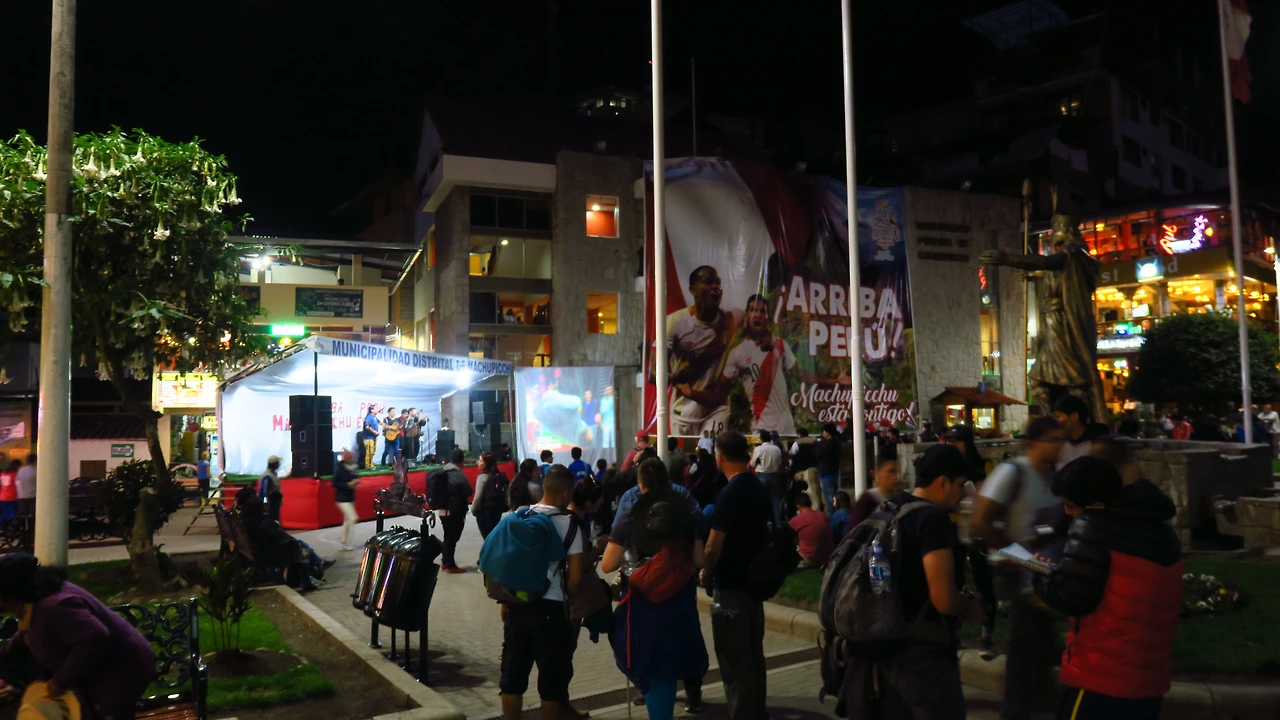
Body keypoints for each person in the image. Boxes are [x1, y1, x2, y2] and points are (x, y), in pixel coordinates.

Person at [841, 444, 984, 720]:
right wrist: (969, 606)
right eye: (960, 484)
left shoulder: (892, 507)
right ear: (942, 483)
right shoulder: (933, 519)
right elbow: (943, 600)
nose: (963, 492)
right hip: (922, 660)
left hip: (884, 648)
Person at [1035, 457, 1182, 720]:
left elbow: (1070, 598)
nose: (1067, 513)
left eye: (1071, 505)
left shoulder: (1093, 526)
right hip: (1148, 683)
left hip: (1098, 677)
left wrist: (1039, 575)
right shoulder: (1163, 533)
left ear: (1095, 503)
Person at [971, 416, 1067, 720]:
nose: (1060, 446)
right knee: (1027, 647)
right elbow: (981, 520)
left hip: (1041, 572)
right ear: (1035, 442)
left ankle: (1032, 706)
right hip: (1015, 573)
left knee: (1040, 646)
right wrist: (1020, 556)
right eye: (1053, 439)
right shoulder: (1013, 472)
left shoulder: (1053, 477)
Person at [603, 459, 709, 719]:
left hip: (643, 601)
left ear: (640, 483)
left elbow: (608, 564)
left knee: (652, 665)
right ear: (667, 481)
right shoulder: (685, 514)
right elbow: (699, 560)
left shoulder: (630, 515)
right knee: (669, 666)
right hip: (680, 598)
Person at [0, 553, 157, 720]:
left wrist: (59, 682)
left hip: (120, 670)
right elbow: (28, 631)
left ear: (11, 593)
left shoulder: (53, 605)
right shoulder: (36, 601)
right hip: (100, 673)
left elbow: (95, 637)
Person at [497, 466, 584, 720]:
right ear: (566, 494)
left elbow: (506, 565)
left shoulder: (519, 516)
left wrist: (505, 602)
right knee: (550, 686)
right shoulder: (569, 524)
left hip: (517, 605)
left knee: (512, 680)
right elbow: (575, 580)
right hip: (551, 610)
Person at [701, 431, 772, 720]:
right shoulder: (757, 486)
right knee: (753, 657)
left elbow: (712, 546)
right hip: (755, 584)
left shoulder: (729, 494)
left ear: (719, 456)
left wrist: (706, 573)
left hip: (731, 587)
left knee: (734, 661)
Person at [660, 266, 744, 436]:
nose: (715, 287)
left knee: (712, 450)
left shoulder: (734, 318)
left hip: (716, 408)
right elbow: (653, 374)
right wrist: (674, 376)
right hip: (684, 411)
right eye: (708, 282)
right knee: (685, 453)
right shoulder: (674, 323)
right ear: (693, 290)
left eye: (718, 283)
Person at [434, 449, 474, 574]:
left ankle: (445, 561)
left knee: (448, 536)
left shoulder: (443, 471)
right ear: (462, 460)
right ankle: (449, 565)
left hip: (442, 509)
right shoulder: (457, 474)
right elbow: (469, 491)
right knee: (452, 537)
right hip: (455, 510)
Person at [1052, 394, 1109, 470]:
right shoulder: (1058, 446)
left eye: (1057, 416)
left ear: (1074, 417)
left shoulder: (1098, 445)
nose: (1053, 421)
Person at [848, 455, 901, 528]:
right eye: (890, 471)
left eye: (897, 472)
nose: (895, 476)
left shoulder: (899, 500)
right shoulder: (868, 500)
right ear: (876, 474)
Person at [472, 452, 509, 539]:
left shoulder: (482, 477)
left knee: (487, 537)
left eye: (481, 461)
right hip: (497, 510)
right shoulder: (499, 475)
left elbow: (478, 497)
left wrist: (473, 509)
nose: (478, 463)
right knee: (494, 536)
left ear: (486, 463)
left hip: (484, 511)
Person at [749, 431, 784, 525]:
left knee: (760, 500)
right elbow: (779, 462)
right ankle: (777, 523)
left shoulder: (759, 449)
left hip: (761, 476)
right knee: (775, 500)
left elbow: (752, 463)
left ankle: (762, 523)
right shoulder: (776, 449)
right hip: (774, 476)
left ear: (761, 439)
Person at [788, 494, 832, 567]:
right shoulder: (823, 516)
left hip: (809, 557)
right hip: (827, 556)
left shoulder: (796, 520)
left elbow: (789, 539)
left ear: (798, 506)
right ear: (810, 503)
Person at [332, 449, 361, 551]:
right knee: (353, 518)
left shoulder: (352, 468)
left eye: (352, 457)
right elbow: (334, 483)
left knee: (347, 520)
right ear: (345, 459)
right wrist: (347, 484)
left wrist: (355, 482)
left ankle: (343, 543)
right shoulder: (340, 469)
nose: (352, 459)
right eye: (350, 458)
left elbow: (355, 478)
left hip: (350, 497)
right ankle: (347, 542)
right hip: (342, 499)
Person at [813, 423, 843, 516]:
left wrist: (816, 444)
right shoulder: (837, 442)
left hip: (826, 474)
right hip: (834, 473)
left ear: (827, 432)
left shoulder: (828, 444)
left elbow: (817, 453)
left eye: (823, 432)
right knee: (834, 498)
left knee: (829, 500)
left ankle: (833, 519)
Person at [258, 455, 283, 523]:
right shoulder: (267, 476)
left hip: (274, 502)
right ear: (274, 464)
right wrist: (265, 503)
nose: (279, 464)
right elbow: (264, 491)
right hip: (270, 504)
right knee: (271, 521)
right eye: (278, 463)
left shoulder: (273, 474)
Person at [362, 403, 381, 470]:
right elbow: (367, 427)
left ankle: (371, 465)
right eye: (376, 409)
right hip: (368, 438)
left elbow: (381, 423)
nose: (377, 410)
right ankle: (368, 466)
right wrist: (375, 432)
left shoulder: (374, 417)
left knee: (372, 452)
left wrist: (388, 426)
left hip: (373, 438)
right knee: (369, 452)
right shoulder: (369, 417)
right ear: (372, 410)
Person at [600, 385, 617, 450]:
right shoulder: (603, 400)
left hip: (613, 423)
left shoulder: (614, 399)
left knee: (613, 441)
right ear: (605, 391)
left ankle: (613, 453)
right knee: (605, 441)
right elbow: (602, 411)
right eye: (607, 390)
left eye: (610, 389)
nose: (609, 391)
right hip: (605, 423)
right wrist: (609, 402)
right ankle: (605, 454)